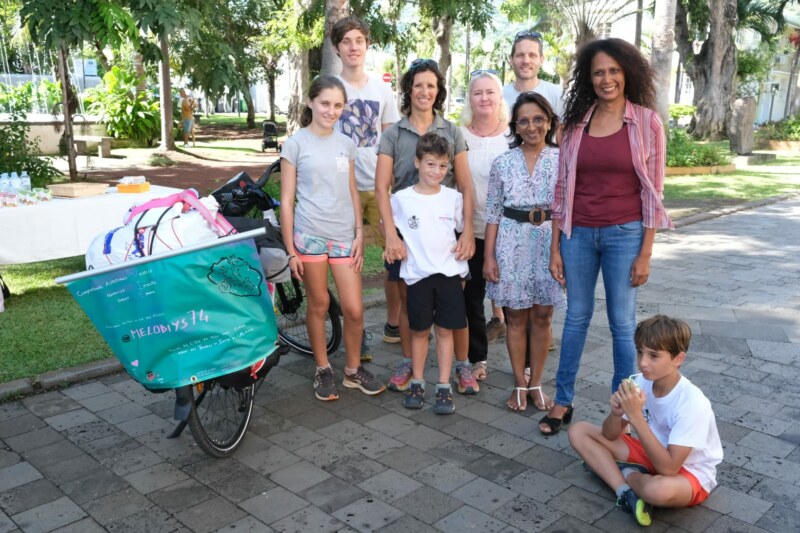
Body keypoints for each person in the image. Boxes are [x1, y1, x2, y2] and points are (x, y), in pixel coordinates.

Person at [540, 38, 674, 436]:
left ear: (627, 72)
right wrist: (555, 248)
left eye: (614, 70)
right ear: (589, 76)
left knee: (621, 323)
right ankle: (563, 400)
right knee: (576, 318)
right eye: (599, 71)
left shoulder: (646, 122)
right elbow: (561, 188)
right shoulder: (577, 123)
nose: (607, 78)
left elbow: (654, 190)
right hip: (577, 234)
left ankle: (625, 407)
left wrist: (646, 252)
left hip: (625, 234)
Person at [375, 58, 479, 396]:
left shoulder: (452, 132)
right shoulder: (393, 133)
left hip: (445, 233)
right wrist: (390, 234)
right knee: (410, 302)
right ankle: (409, 362)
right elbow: (382, 187)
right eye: (418, 85)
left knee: (455, 305)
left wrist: (467, 233)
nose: (424, 91)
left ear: (439, 91)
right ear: (408, 89)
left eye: (431, 86)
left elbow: (465, 185)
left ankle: (462, 366)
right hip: (406, 230)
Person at [280, 75, 386, 402]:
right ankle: (323, 369)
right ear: (311, 102)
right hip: (309, 236)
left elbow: (353, 191)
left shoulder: (346, 144)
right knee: (320, 304)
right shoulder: (295, 144)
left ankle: (353, 371)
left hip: (343, 236)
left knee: (354, 309)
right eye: (325, 103)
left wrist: (358, 232)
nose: (331, 111)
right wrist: (290, 250)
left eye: (338, 105)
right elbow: (286, 201)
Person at [568, 315, 723, 527]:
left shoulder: (693, 403)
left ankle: (625, 471)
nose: (642, 362)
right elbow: (610, 435)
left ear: (678, 359)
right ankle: (625, 494)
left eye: (653, 356)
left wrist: (635, 416)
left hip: (687, 471)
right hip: (648, 452)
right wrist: (616, 414)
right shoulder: (638, 382)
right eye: (640, 352)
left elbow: (669, 469)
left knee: (657, 491)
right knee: (579, 431)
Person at [484, 92, 566, 412]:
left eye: (538, 119)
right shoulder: (502, 162)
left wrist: (558, 253)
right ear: (515, 126)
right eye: (524, 121)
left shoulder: (561, 160)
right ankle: (519, 383)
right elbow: (492, 212)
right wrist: (489, 256)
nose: (531, 126)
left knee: (543, 316)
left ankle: (536, 384)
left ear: (548, 122)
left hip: (549, 242)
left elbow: (562, 211)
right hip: (510, 241)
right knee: (516, 317)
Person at [330, 17, 402, 357]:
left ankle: (393, 324)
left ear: (367, 45)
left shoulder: (381, 89)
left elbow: (390, 138)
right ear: (337, 48)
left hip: (379, 187)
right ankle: (355, 337)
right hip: (342, 190)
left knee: (394, 258)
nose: (354, 47)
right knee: (350, 262)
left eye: (359, 40)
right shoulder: (329, 87)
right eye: (347, 41)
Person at [390, 133, 469, 414]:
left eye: (443, 166)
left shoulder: (453, 198)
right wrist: (393, 241)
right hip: (418, 276)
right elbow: (387, 226)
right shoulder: (401, 199)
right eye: (431, 164)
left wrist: (464, 242)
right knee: (420, 330)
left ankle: (444, 385)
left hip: (448, 274)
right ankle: (418, 381)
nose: (436, 171)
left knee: (446, 330)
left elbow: (462, 229)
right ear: (417, 162)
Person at [459, 70, 510, 381]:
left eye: (490, 92)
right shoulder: (459, 135)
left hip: (510, 234)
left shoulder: (514, 134)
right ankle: (478, 359)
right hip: (472, 230)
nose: (484, 98)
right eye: (478, 93)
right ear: (470, 98)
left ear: (499, 97)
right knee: (472, 300)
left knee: (516, 303)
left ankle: (526, 367)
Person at [503, 30, 564, 118]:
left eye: (532, 55)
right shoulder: (499, 96)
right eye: (520, 55)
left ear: (541, 60)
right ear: (511, 60)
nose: (526, 61)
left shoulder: (558, 94)